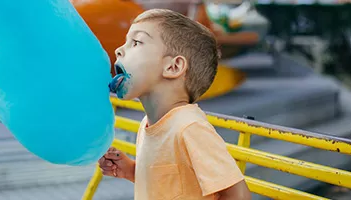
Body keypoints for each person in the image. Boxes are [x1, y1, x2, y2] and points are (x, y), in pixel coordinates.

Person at [101, 8, 251, 200]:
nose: (118, 50)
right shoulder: (149, 123)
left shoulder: (189, 128)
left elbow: (238, 195)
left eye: (136, 42)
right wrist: (129, 170)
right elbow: (172, 184)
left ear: (173, 67)